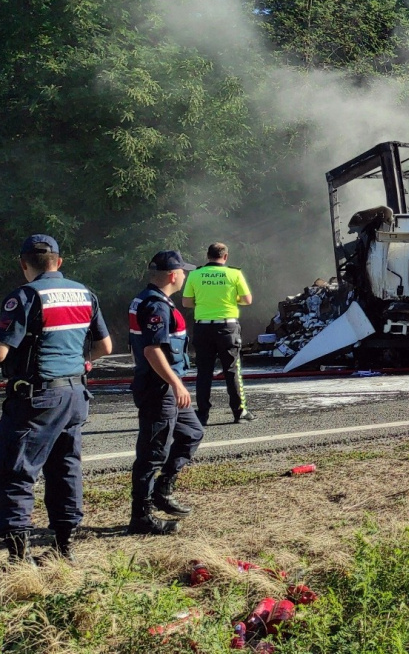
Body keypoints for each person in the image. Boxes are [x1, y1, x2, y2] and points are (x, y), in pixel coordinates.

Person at [0, 235, 112, 563]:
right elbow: (105, 346)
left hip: (36, 398)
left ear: (24, 264)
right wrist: (81, 363)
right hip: (75, 394)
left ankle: (19, 561)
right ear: (59, 262)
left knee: (16, 471)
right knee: (65, 468)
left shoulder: (24, 297)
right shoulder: (84, 293)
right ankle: (64, 549)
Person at [129, 251, 204, 535]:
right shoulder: (155, 306)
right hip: (158, 388)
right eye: (183, 271)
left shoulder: (153, 300)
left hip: (166, 388)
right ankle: (141, 517)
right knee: (152, 452)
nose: (185, 275)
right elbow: (151, 350)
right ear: (173, 275)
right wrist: (176, 383)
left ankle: (163, 488)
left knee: (192, 433)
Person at [182, 243, 255, 425]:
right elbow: (247, 300)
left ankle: (203, 414)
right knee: (232, 370)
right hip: (227, 328)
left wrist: (204, 301)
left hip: (203, 328)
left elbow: (186, 303)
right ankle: (239, 412)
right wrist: (230, 298)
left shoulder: (195, 274)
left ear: (207, 256)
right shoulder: (234, 273)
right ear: (226, 257)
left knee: (204, 372)